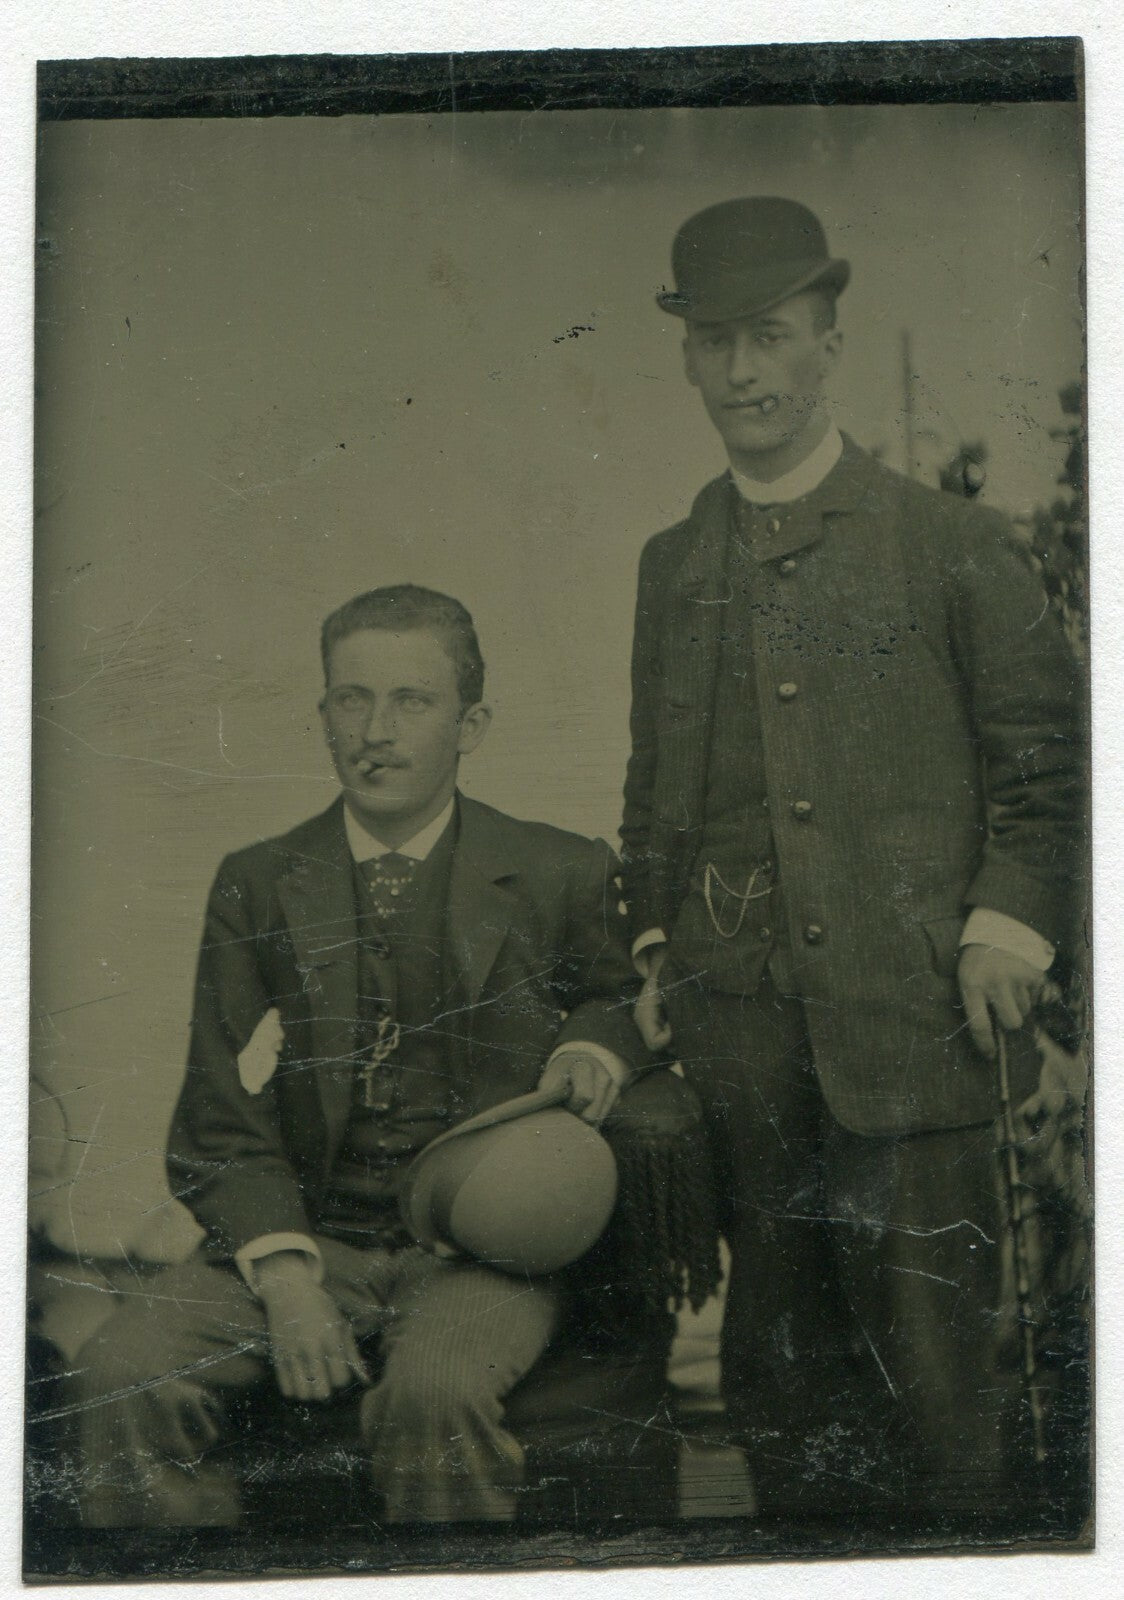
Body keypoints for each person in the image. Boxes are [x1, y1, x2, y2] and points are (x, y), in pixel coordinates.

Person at [620, 197, 1082, 1530]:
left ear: (828, 340)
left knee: (941, 1400)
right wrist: (654, 944)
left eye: (770, 336)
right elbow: (653, 790)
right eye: (716, 342)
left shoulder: (950, 545)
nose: (744, 371)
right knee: (780, 1389)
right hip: (745, 1058)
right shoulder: (673, 565)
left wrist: (1007, 926)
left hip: (917, 1037)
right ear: (687, 357)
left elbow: (1052, 767)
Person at [73, 584, 648, 1527]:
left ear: (470, 725)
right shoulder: (259, 882)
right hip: (307, 1236)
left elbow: (618, 992)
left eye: (412, 702)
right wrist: (286, 1277)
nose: (375, 733)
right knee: (120, 1374)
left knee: (437, 1398)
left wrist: (592, 1043)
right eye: (352, 699)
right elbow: (218, 1104)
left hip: (478, 1256)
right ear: (323, 715)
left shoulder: (556, 869)